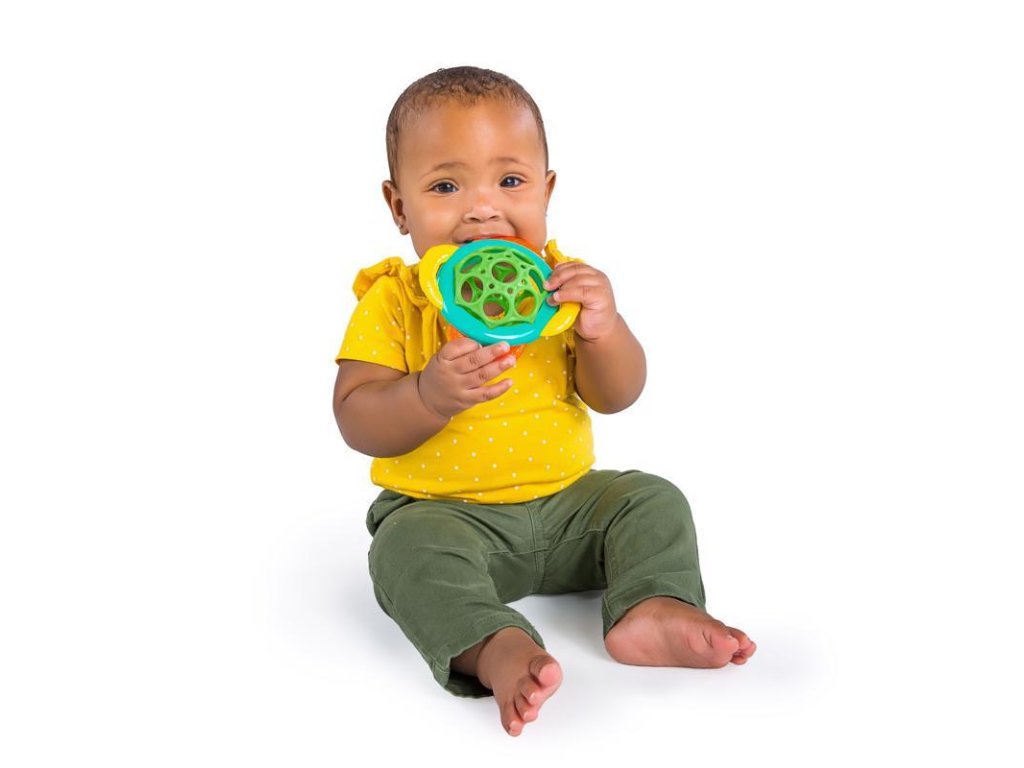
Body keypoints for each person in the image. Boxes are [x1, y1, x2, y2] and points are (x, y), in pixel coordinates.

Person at [332, 66, 756, 737]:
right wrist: (426, 395)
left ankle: (651, 606)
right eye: (445, 186)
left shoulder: (561, 289)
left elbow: (618, 396)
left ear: (547, 190)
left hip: (570, 508)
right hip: (445, 516)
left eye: (510, 181)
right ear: (399, 206)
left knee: (652, 500)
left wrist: (604, 331)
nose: (482, 209)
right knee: (403, 553)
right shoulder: (394, 301)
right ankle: (494, 645)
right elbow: (356, 416)